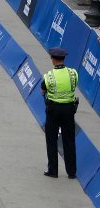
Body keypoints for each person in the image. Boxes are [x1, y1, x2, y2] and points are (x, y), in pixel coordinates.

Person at [41, 47, 78, 179]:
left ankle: (53, 171)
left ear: (53, 59)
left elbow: (43, 89)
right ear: (63, 59)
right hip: (69, 110)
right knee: (69, 140)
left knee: (51, 140)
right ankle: (72, 172)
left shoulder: (49, 76)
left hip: (53, 111)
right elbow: (74, 85)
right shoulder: (73, 73)